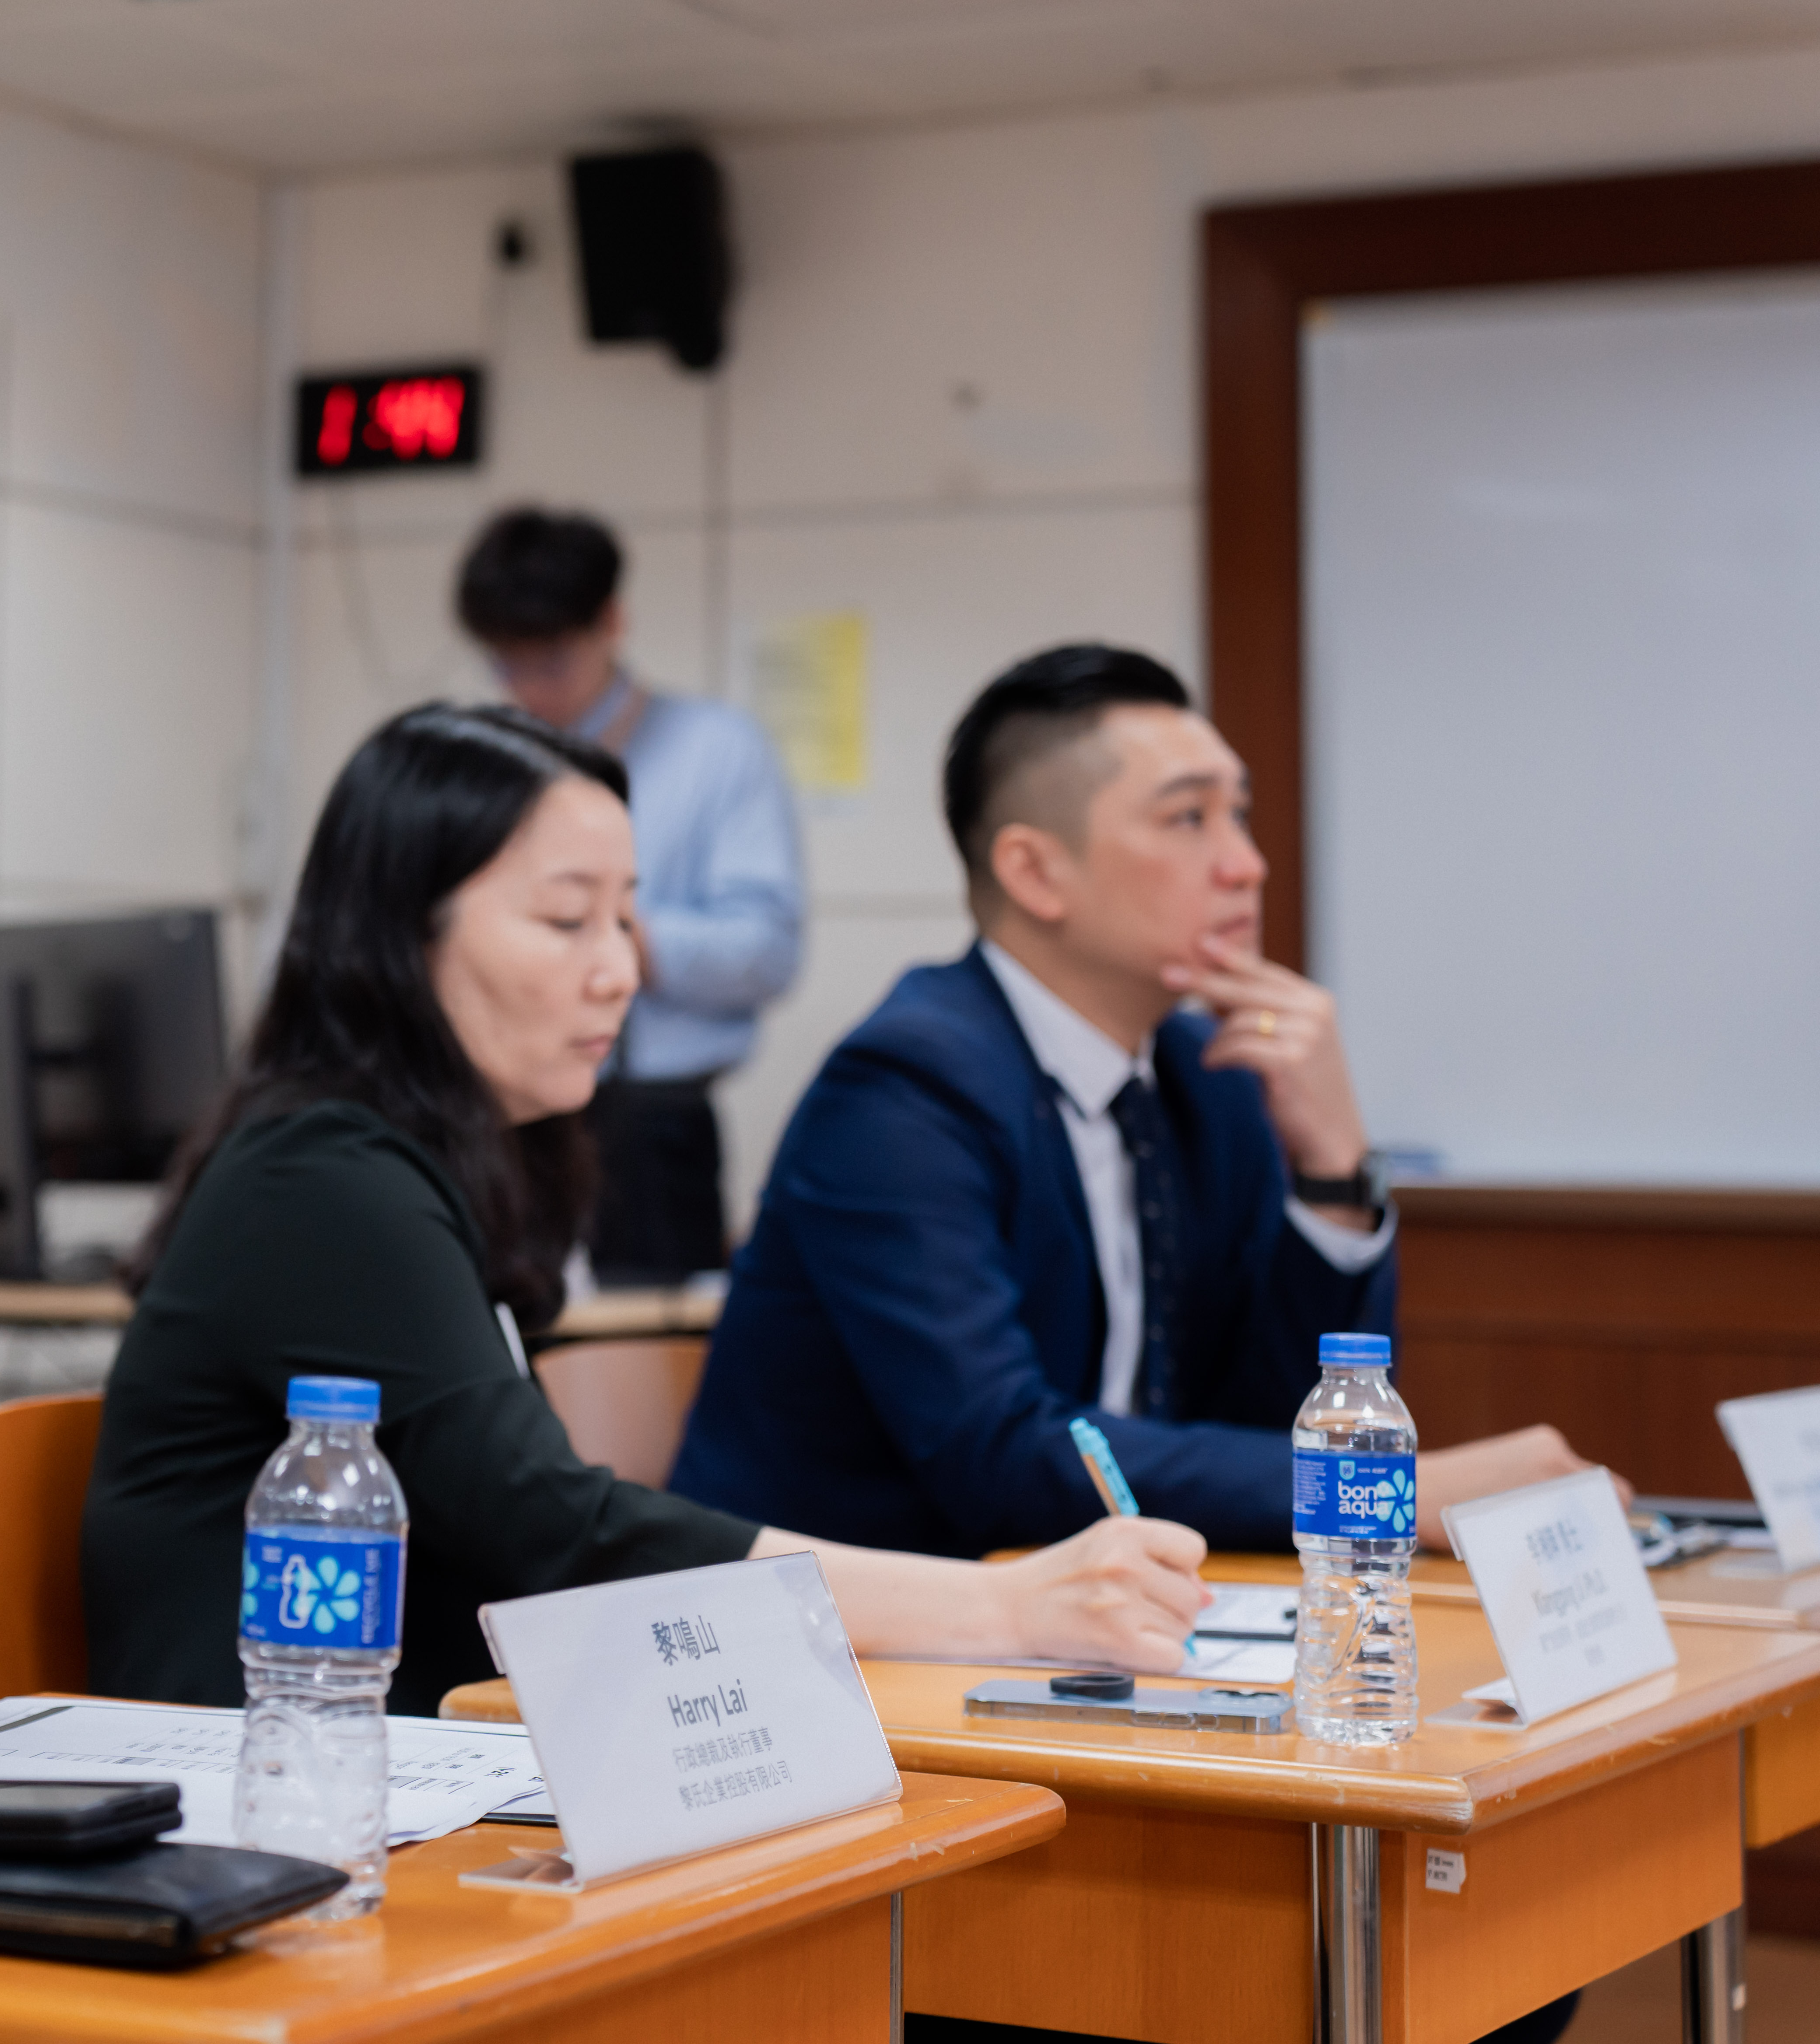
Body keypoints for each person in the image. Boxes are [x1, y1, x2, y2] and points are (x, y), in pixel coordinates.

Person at [83, 702, 1209, 1718]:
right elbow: (549, 1529)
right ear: (400, 939)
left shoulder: (440, 1163)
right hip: (268, 1786)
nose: (621, 969)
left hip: (431, 1758)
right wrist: (1003, 1607)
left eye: (626, 919)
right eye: (569, 918)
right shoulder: (321, 1176)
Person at [670, 643, 1610, 1557]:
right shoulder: (904, 1090)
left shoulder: (1207, 1071)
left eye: (1238, 814)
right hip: (850, 1626)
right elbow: (1001, 1455)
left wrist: (1333, 1175)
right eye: (1189, 818)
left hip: (1109, 1614)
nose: (1246, 864)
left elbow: (1263, 1428)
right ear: (1036, 872)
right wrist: (1385, 1485)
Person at [456, 508, 801, 1284]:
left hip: (652, 1122)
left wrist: (606, 932)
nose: (528, 688)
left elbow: (769, 950)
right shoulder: (484, 763)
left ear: (611, 622)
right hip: (500, 1107)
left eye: (551, 661)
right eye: (506, 665)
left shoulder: (716, 750)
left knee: (646, 1337)